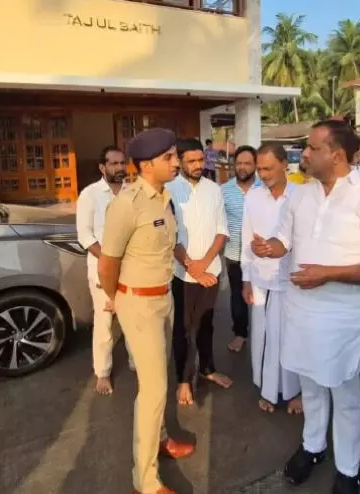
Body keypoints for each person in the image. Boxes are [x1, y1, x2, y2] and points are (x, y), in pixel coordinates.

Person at [252, 120, 360, 494]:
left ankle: (349, 469)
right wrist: (270, 247)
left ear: (336, 155)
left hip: (342, 319)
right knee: (311, 387)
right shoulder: (301, 195)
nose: (304, 154)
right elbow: (284, 238)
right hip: (300, 310)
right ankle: (313, 447)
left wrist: (328, 274)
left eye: (313, 148)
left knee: (345, 395)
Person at [98, 128, 195, 494]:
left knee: (159, 379)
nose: (176, 162)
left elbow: (167, 247)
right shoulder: (127, 204)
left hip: (163, 298)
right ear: (146, 164)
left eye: (175, 155)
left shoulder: (164, 198)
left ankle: (161, 438)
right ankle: (146, 479)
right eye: (169, 157)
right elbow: (108, 263)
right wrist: (119, 299)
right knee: (153, 389)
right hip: (138, 303)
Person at [167, 137, 232, 406]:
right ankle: (183, 380)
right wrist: (193, 268)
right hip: (182, 274)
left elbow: (221, 230)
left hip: (210, 270)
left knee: (206, 324)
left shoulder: (213, 189)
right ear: (180, 161)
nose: (197, 165)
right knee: (183, 328)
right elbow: (169, 236)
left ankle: (207, 369)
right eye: (191, 161)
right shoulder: (168, 189)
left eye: (200, 159)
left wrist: (204, 264)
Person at [240, 143, 302, 415]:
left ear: (284, 165)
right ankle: (267, 390)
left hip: (294, 280)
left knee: (292, 337)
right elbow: (246, 239)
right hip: (260, 279)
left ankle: (294, 392)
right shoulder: (253, 197)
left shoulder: (301, 195)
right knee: (263, 336)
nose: (263, 174)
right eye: (260, 169)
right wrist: (245, 279)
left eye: (268, 168)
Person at [76, 145, 134, 395]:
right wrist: (109, 261)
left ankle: (136, 363)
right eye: (114, 163)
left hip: (131, 270)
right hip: (102, 270)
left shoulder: (133, 193)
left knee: (133, 320)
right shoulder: (90, 195)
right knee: (105, 324)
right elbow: (85, 235)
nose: (120, 168)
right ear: (102, 167)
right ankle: (102, 372)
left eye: (122, 163)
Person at [220, 145, 260, 353]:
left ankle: (264, 333)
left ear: (255, 165)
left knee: (263, 296)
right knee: (237, 296)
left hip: (261, 255)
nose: (242, 167)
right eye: (239, 163)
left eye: (247, 163)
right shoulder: (224, 191)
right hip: (234, 254)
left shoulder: (265, 188)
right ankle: (240, 333)